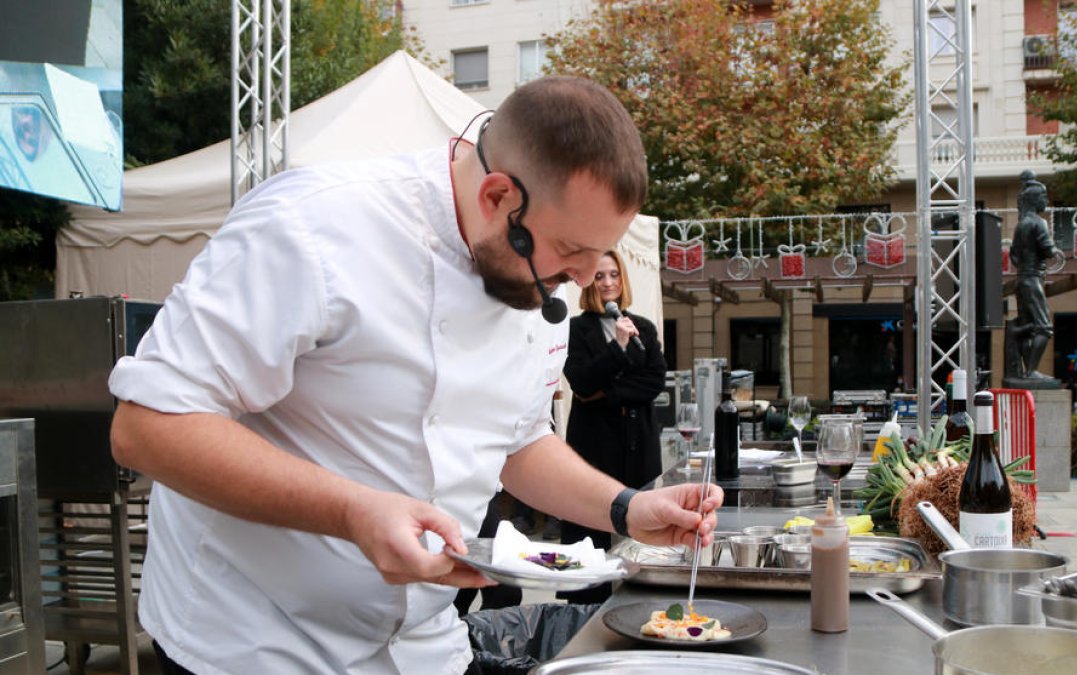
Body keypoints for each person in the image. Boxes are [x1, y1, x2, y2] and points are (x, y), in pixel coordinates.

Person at [107, 76, 723, 675]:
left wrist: (626, 508)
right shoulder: (310, 225)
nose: (588, 279)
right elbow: (148, 426)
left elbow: (517, 442)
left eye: (598, 255)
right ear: (498, 198)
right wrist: (353, 511)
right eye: (569, 252)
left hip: (425, 644)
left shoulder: (543, 285)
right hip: (253, 638)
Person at [558, 249, 667, 604]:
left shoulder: (644, 328)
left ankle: (639, 606)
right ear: (590, 281)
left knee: (639, 531)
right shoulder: (575, 328)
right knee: (591, 528)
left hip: (638, 443)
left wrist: (608, 392)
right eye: (601, 276)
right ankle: (582, 614)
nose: (608, 283)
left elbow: (654, 383)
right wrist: (617, 349)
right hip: (595, 445)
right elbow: (581, 382)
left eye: (614, 275)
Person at [1005, 170, 1062, 381]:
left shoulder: (1021, 224)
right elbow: (1048, 250)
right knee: (1044, 327)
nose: (1046, 201)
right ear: (1035, 199)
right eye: (1043, 197)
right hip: (1033, 279)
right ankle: (1031, 371)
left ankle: (1026, 371)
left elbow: (1013, 255)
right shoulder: (1039, 223)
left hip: (1022, 279)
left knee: (1029, 328)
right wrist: (1056, 250)